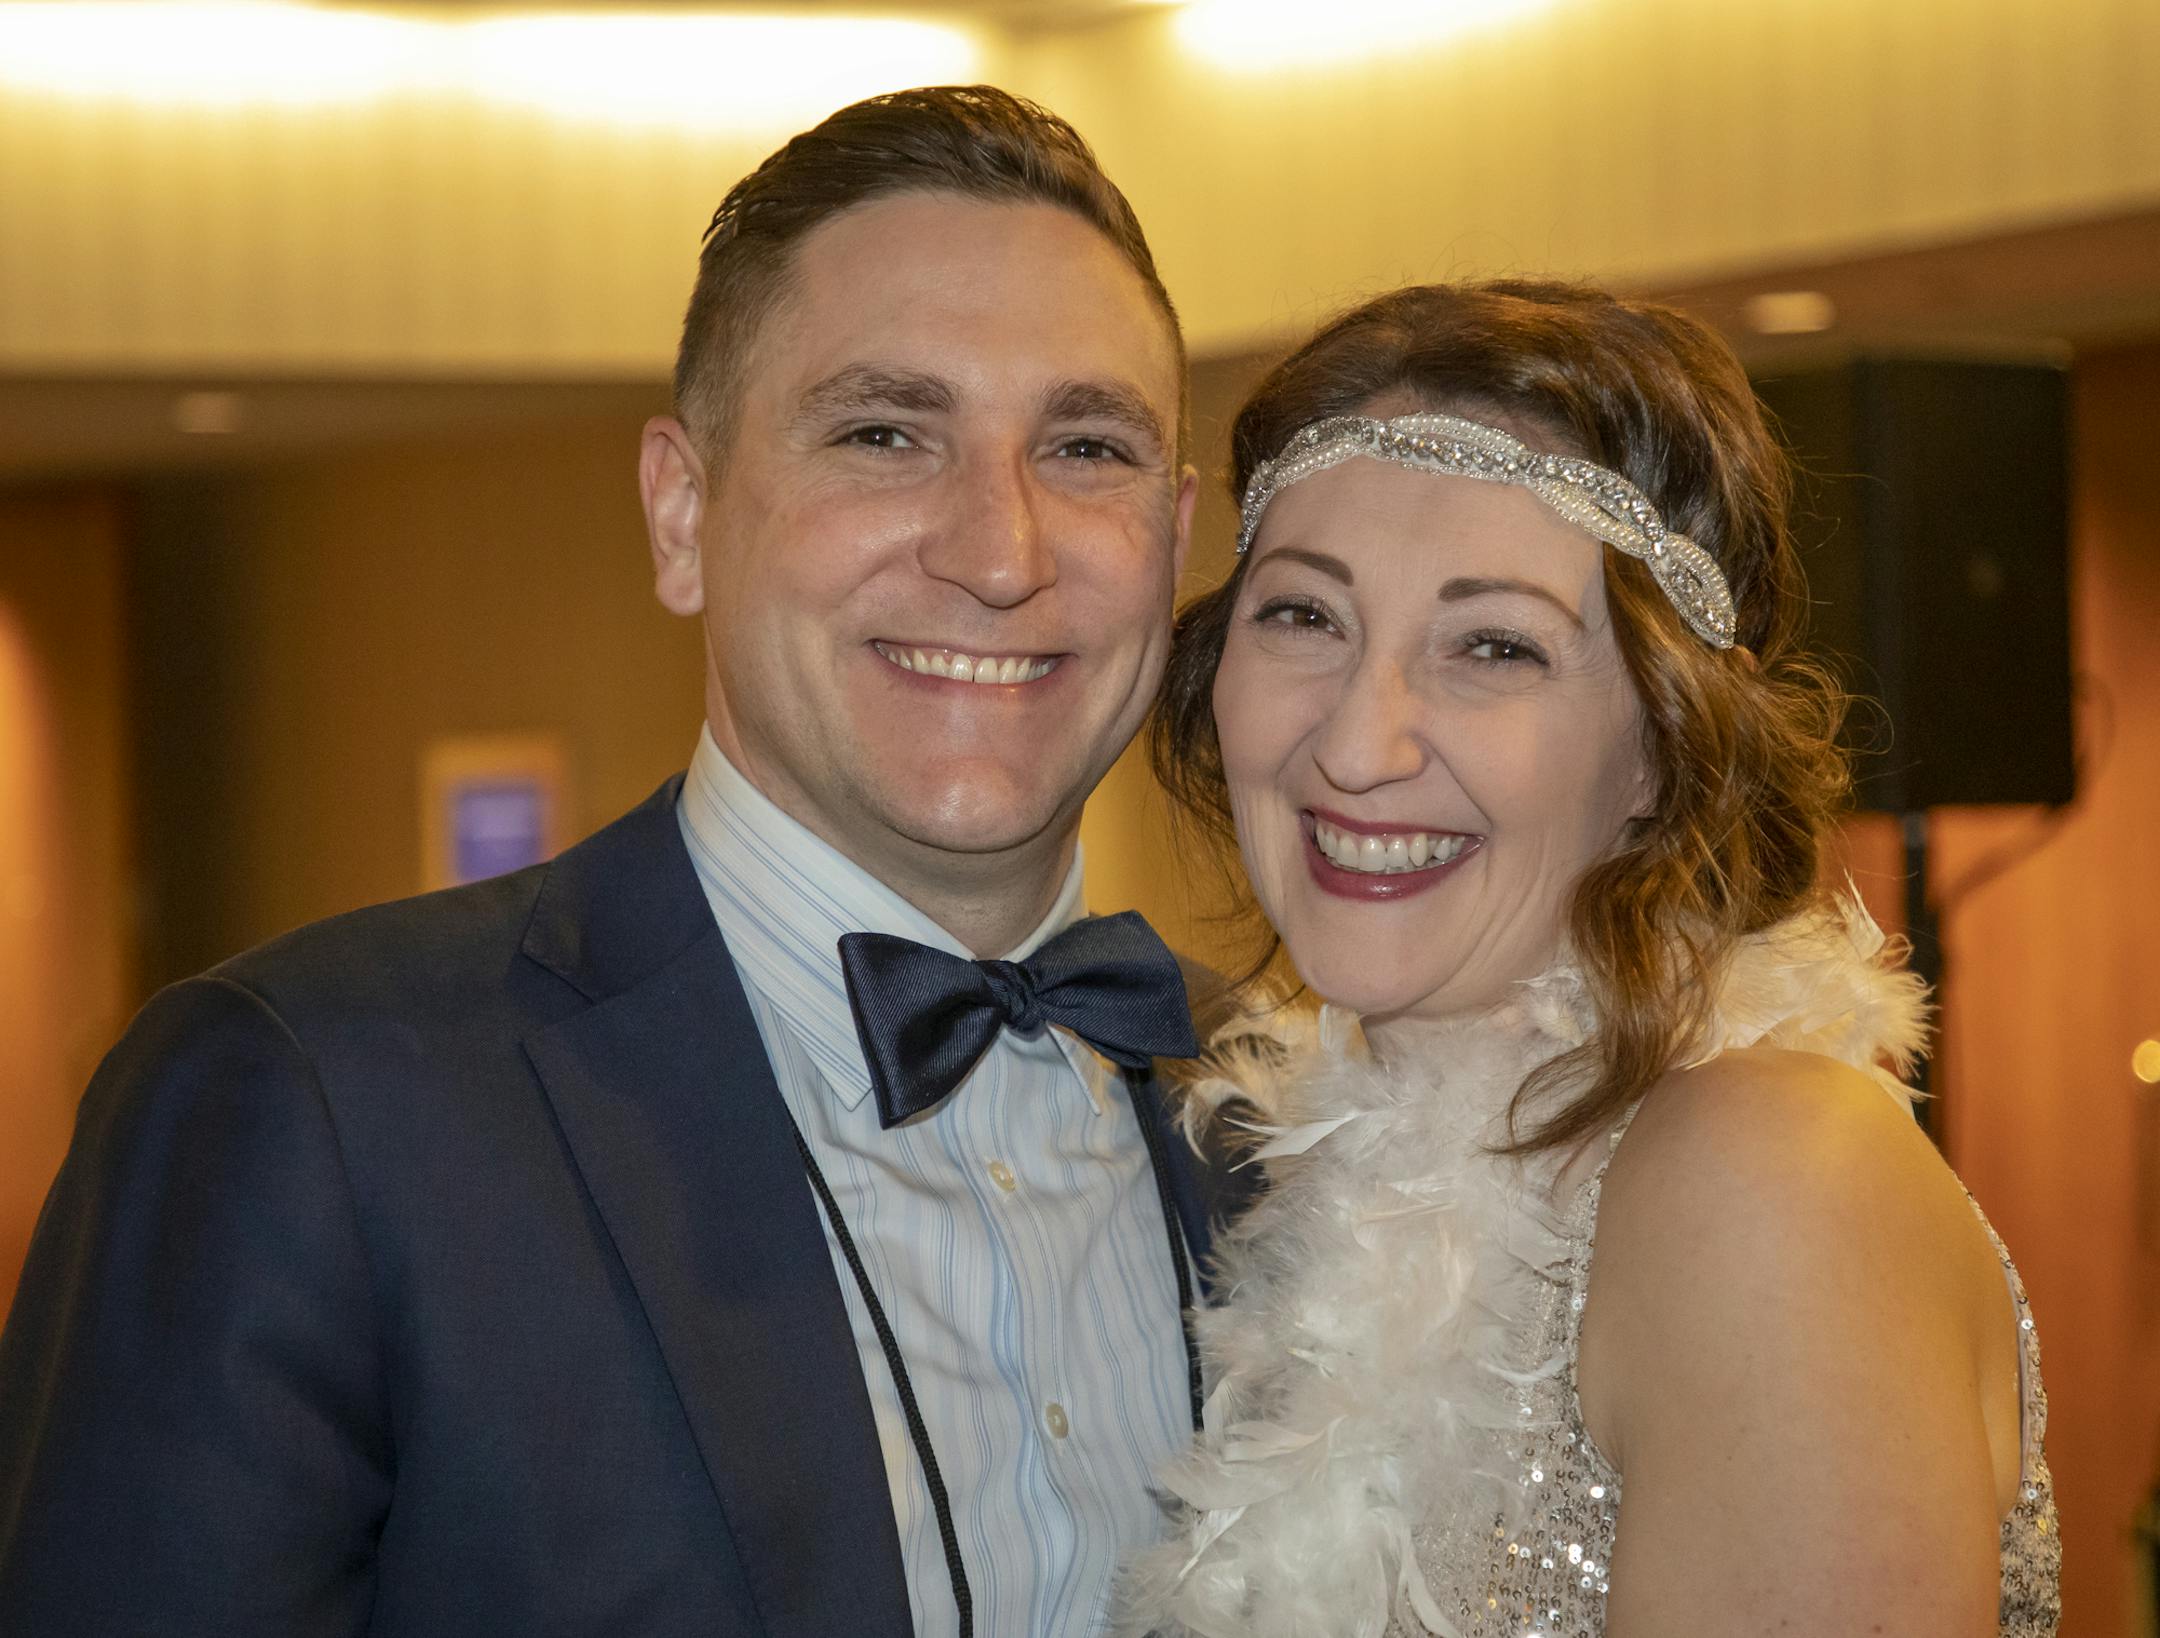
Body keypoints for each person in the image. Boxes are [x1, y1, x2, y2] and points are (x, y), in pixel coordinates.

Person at [0, 86, 1251, 1638]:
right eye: (884, 431)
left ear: (1179, 535)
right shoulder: (316, 1107)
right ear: (681, 509)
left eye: (1085, 445)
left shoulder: (1291, 1133)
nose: (1000, 550)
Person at [1120, 281, 2060, 1636]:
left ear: (1662, 746)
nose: (1355, 742)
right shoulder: (1300, 1206)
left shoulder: (1764, 1176)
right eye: (1304, 617)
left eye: (1492, 645)